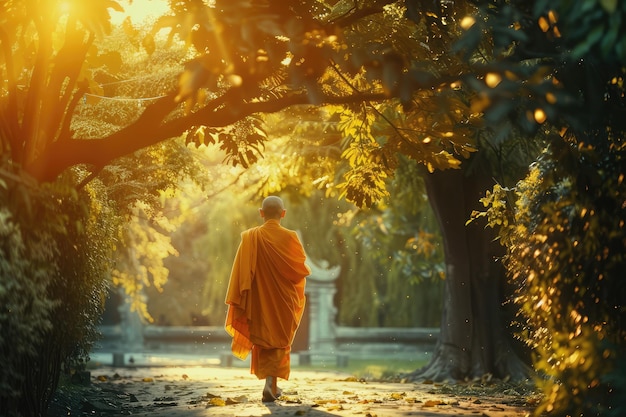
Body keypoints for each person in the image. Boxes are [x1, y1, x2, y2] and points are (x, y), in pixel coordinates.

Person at [224, 196, 310, 402]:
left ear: (261, 213)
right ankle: (271, 384)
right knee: (278, 341)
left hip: (259, 301)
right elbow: (300, 271)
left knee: (265, 339)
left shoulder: (250, 237)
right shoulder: (290, 237)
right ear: (283, 213)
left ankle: (271, 384)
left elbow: (241, 275)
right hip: (283, 300)